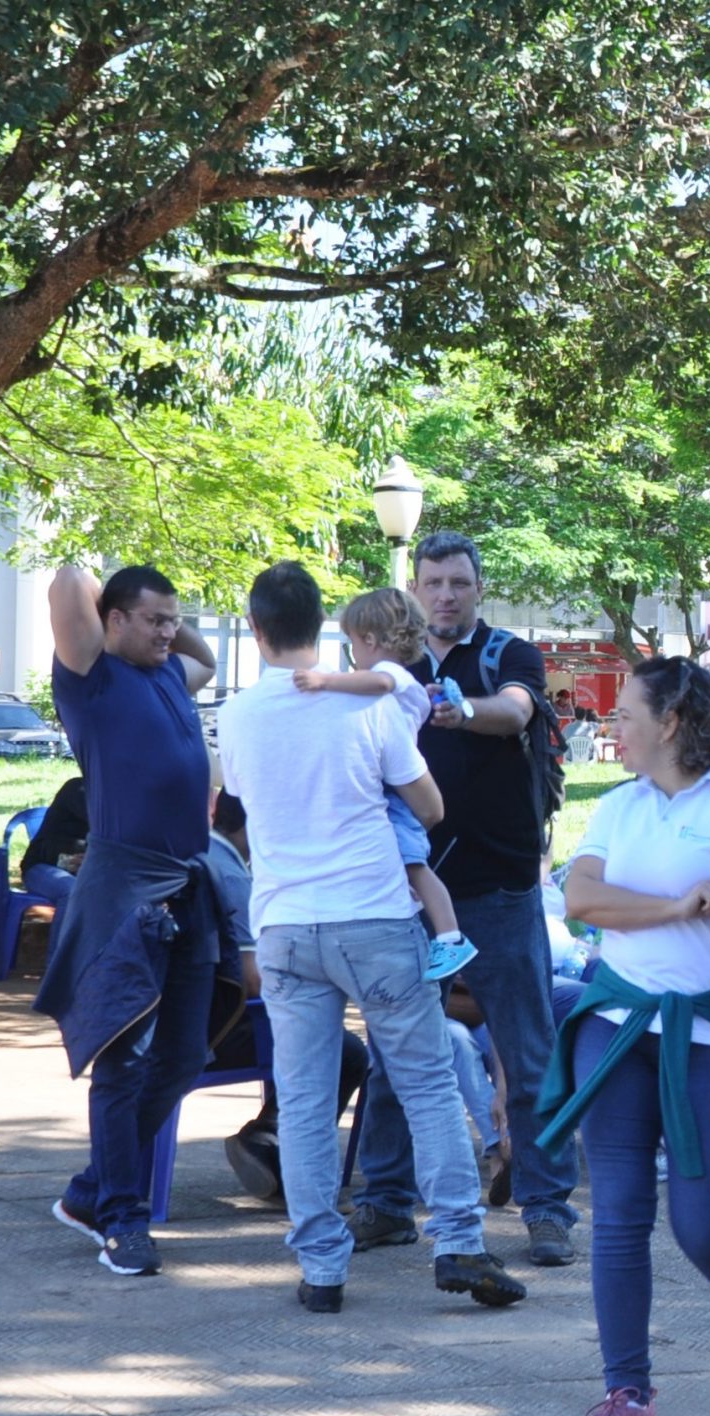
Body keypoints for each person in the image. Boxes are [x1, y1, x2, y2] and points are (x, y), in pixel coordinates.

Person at [219, 560, 523, 1313]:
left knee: (303, 1097)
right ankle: (459, 1242)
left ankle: (321, 1266)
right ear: (322, 624)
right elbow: (428, 807)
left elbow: (245, 802)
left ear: (256, 630)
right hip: (373, 916)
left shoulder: (238, 713)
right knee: (425, 1082)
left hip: (285, 924)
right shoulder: (371, 703)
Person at [540, 656, 710, 1416]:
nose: (612, 726)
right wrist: (679, 906)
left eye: (626, 714)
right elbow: (582, 901)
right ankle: (629, 1397)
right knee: (618, 1216)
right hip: (614, 1025)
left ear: (672, 722)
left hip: (709, 1036)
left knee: (704, 1225)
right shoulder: (618, 806)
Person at [351, 530, 578, 1267]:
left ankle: (548, 1209)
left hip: (500, 888)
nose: (446, 595)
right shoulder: (392, 665)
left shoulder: (509, 654)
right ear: (415, 590)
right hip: (407, 892)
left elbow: (516, 711)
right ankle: (386, 1202)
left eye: (458, 582)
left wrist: (461, 712)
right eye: (433, 583)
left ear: (480, 588)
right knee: (394, 1052)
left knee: (529, 1054)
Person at [35, 564, 220, 1279]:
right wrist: (114, 599)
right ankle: (121, 1216)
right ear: (112, 621)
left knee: (185, 1058)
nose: (170, 632)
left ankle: (91, 1189)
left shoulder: (170, 673)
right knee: (125, 1061)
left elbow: (204, 659)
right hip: (126, 894)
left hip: (189, 888)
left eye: (174, 619)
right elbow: (66, 581)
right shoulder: (91, 679)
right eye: (154, 620)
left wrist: (165, 622)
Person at [288, 587, 476, 981]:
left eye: (353, 644)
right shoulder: (409, 682)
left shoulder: (388, 677)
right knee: (405, 864)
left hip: (397, 793)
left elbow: (377, 684)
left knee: (416, 865)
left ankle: (450, 936)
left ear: (371, 640)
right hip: (394, 789)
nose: (353, 656)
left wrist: (325, 681)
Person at [206, 791, 373, 1206]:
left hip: (177, 1021)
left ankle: (267, 1138)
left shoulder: (201, 854)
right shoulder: (232, 875)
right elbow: (253, 980)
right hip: (219, 1031)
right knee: (346, 1050)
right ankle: (288, 1161)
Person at [18, 774, 87, 905]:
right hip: (43, 865)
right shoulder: (77, 789)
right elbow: (106, 831)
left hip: (87, 870)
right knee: (73, 892)